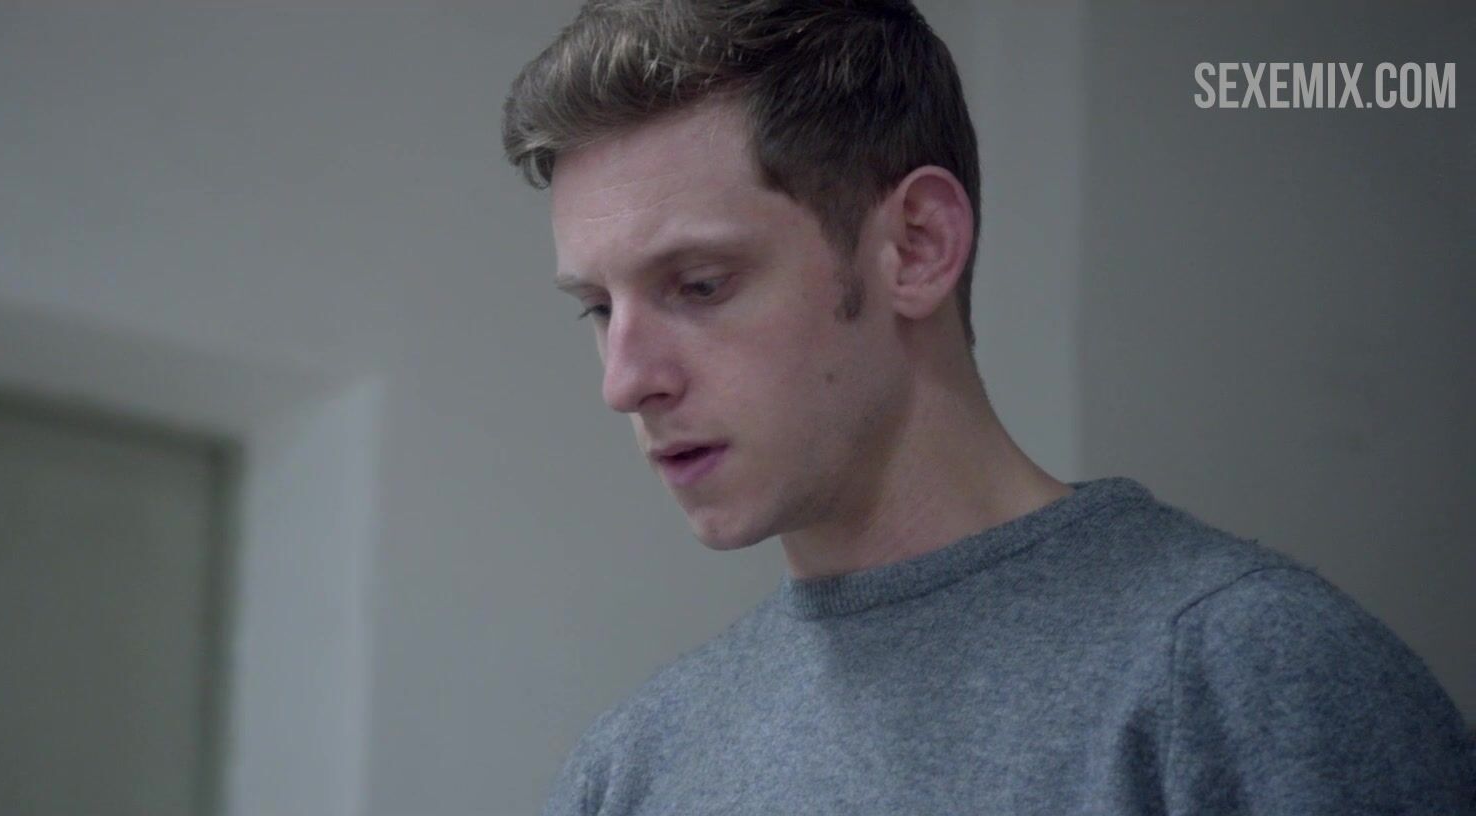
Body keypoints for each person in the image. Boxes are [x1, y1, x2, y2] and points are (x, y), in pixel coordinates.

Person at [499, 1, 1476, 813]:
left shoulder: (1239, 680)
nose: (625, 382)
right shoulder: (628, 772)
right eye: (598, 308)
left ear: (917, 246)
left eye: (701, 285)